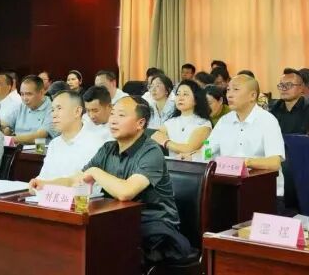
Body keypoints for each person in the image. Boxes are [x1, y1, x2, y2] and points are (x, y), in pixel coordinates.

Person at [35, 97, 192, 265]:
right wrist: (45, 185)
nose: (113, 120)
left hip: (154, 229)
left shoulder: (151, 151)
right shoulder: (108, 149)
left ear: (140, 123)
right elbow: (76, 179)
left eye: (121, 115)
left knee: (102, 249)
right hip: (119, 221)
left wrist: (95, 171)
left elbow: (126, 192)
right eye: (112, 114)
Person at [208, 75, 286, 196]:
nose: (229, 95)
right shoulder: (224, 121)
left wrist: (246, 162)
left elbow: (274, 162)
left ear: (253, 95)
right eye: (228, 90)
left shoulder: (268, 121)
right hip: (229, 188)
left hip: (263, 191)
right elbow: (207, 147)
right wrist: (200, 153)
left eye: (236, 89)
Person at [32, 91, 105, 182]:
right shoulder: (54, 144)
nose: (53, 115)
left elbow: (94, 186)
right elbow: (43, 177)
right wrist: (35, 183)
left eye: (59, 108)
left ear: (77, 111)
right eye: (53, 110)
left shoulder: (96, 144)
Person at [152, 80, 212, 157]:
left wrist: (166, 142)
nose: (180, 98)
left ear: (196, 100)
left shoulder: (203, 123)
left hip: (193, 164)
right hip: (171, 164)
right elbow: (155, 135)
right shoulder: (170, 122)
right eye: (178, 94)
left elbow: (189, 149)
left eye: (185, 94)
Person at [7, 75, 57, 144]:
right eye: (22, 94)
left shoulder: (53, 109)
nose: (25, 98)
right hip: (16, 147)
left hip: (39, 149)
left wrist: (9, 139)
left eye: (29, 94)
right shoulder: (22, 105)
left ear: (41, 92)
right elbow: (6, 123)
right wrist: (6, 129)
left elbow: (39, 136)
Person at [269, 69, 309, 134]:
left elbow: (305, 138)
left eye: (289, 85)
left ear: (301, 88)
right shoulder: (274, 108)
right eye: (281, 85)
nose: (284, 88)